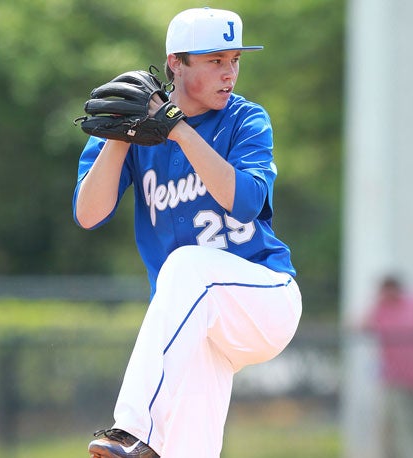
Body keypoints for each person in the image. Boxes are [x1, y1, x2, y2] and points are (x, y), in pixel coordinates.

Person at [73, 7, 302, 458]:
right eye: (214, 60)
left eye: (235, 59)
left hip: (263, 298)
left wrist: (176, 129)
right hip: (193, 323)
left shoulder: (246, 119)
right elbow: (88, 215)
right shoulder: (137, 128)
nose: (229, 73)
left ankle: (133, 430)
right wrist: (122, 137)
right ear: (176, 62)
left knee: (187, 265)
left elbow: (246, 202)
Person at [361, 275, 413, 458]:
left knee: (410, 428)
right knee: (387, 427)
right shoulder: (380, 308)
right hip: (391, 378)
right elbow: (362, 326)